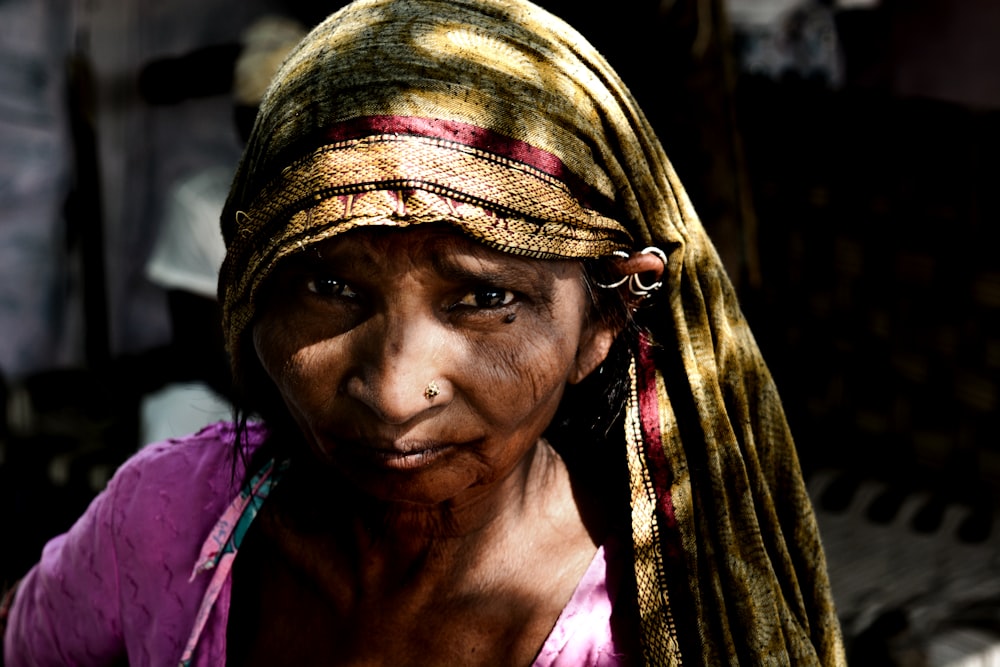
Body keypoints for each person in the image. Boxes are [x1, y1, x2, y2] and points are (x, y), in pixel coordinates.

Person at [1, 0, 846, 664]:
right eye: (328, 286)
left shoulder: (659, 617)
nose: (396, 393)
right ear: (248, 295)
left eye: (483, 298)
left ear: (608, 317)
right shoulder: (166, 523)